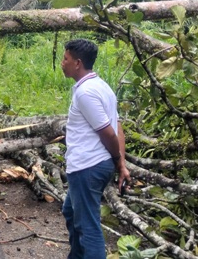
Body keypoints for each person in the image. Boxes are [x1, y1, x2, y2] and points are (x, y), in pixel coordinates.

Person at [60, 39, 130, 258]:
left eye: (66, 59)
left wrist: (119, 161)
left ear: (78, 63)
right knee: (70, 210)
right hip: (94, 165)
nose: (62, 63)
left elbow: (109, 133)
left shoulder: (86, 93)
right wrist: (120, 164)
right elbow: (118, 126)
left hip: (87, 167)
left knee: (88, 227)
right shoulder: (101, 86)